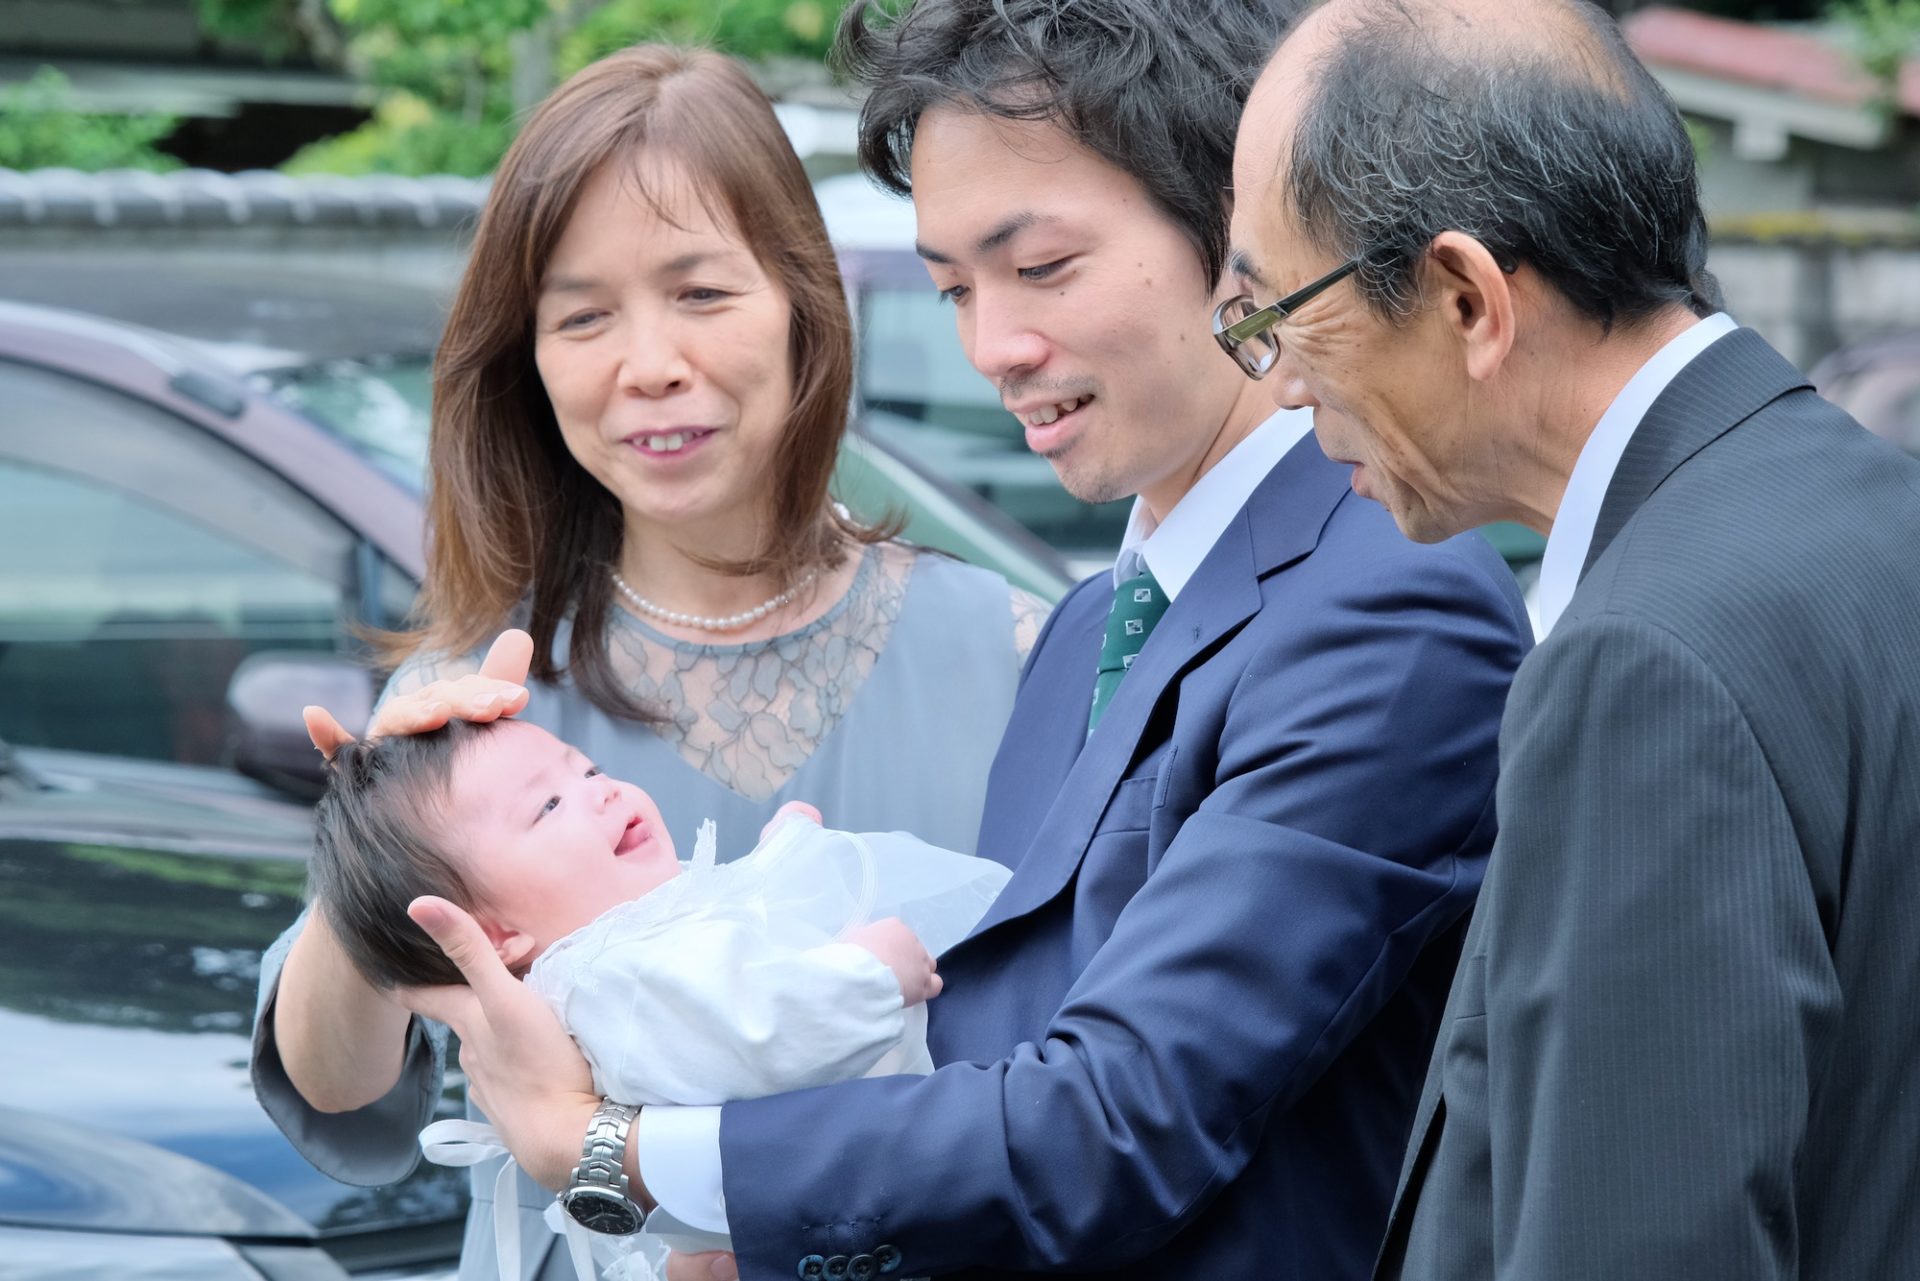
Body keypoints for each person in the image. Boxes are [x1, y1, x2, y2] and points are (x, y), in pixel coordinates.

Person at [390, 3, 1533, 1279]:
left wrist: (606, 1149)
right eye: (952, 289)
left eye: (1041, 268)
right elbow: (989, 1073)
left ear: (1242, 231)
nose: (993, 346)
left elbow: (1117, 1120)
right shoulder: (1097, 627)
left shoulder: (1389, 603)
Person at [251, 45, 1045, 1281]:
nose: (647, 363)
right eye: (581, 317)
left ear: (801, 303)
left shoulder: (1012, 652)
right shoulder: (475, 696)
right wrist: (367, 865)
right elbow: (341, 1084)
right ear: (529, 362)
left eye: (701, 293)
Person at [1228, 1, 1920, 1277]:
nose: (1275, 379)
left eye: (1279, 311)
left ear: (1466, 298)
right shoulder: (1865, 503)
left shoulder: (1642, 662)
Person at [309, 715, 1009, 1279]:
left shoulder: (639, 931)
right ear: (496, 933)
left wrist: (781, 861)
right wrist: (867, 976)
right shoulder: (609, 982)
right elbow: (750, 1034)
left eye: (588, 770)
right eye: (548, 806)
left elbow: (728, 941)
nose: (602, 791)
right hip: (868, 1204)